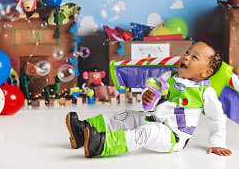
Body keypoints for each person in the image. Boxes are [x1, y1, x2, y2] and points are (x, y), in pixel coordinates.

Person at [65, 41, 230, 158]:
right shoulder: (169, 76)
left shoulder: (205, 92)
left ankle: (101, 145)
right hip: (151, 118)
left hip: (172, 136)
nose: (186, 57)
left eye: (195, 57)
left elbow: (217, 118)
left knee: (146, 133)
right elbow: (149, 99)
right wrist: (147, 97)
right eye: (187, 52)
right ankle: (83, 130)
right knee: (125, 115)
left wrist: (218, 143)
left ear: (206, 72)